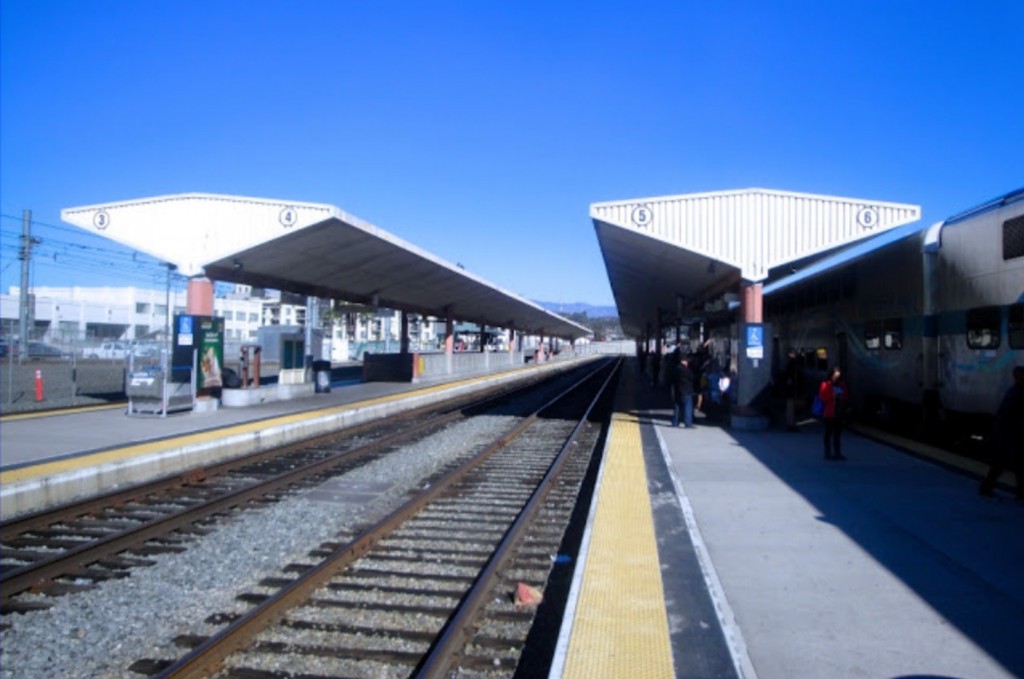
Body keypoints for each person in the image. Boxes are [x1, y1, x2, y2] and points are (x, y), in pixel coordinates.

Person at [979, 366, 1024, 499]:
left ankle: (987, 488)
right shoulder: (1017, 393)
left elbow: (1003, 415)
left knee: (1006, 465)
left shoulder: (1014, 391)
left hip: (1010, 435)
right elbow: (1007, 415)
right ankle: (987, 488)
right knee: (1012, 465)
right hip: (1012, 436)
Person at [819, 366, 848, 460]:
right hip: (829, 413)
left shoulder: (842, 385)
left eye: (838, 376)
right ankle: (827, 452)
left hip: (839, 412)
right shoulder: (825, 384)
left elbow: (845, 396)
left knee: (837, 434)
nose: (837, 378)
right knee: (828, 433)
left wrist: (842, 396)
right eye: (835, 376)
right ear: (831, 375)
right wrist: (831, 396)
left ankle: (837, 452)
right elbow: (822, 398)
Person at [672, 355, 696, 428]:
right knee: (687, 407)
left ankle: (675, 422)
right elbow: (692, 378)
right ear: (682, 361)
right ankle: (688, 423)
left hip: (677, 390)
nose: (687, 362)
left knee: (677, 407)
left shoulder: (675, 370)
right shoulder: (687, 370)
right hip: (687, 391)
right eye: (686, 361)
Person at [783, 349, 800, 431]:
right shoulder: (793, 365)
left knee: (790, 407)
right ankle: (790, 423)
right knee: (791, 407)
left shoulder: (791, 364)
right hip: (792, 390)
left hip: (791, 389)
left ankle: (790, 423)